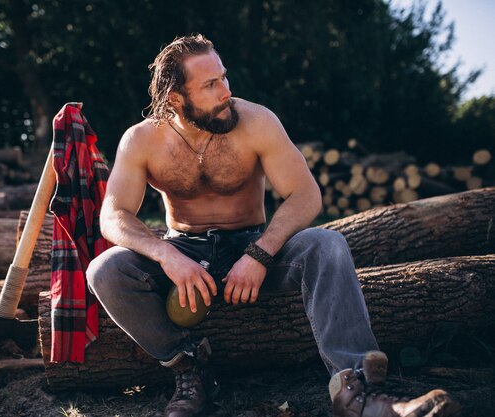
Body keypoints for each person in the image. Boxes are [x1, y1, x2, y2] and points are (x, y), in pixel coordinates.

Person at [86, 34, 460, 417]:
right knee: (105, 270)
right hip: (184, 251)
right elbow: (113, 216)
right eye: (210, 85)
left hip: (253, 243)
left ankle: (356, 390)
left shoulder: (255, 121)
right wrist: (165, 254)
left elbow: (305, 195)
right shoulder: (142, 140)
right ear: (175, 100)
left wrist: (259, 253)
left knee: (326, 244)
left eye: (224, 78)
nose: (225, 92)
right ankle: (190, 370)